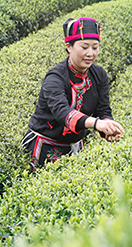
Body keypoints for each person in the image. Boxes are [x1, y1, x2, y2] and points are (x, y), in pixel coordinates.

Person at [21, 17, 124, 172]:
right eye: (84, 47)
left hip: (75, 147)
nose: (90, 53)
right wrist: (96, 124)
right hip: (43, 145)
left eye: (95, 47)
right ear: (69, 46)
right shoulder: (55, 78)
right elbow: (62, 112)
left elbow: (103, 110)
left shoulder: (99, 74)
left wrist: (108, 127)